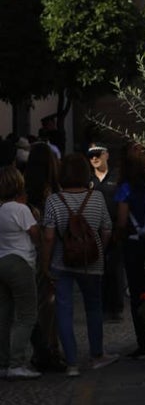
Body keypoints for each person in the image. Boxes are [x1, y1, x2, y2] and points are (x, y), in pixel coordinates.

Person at [42, 153, 118, 377]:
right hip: (91, 264)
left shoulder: (54, 200)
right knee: (93, 307)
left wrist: (45, 265)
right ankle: (97, 355)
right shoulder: (97, 199)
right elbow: (106, 229)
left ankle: (72, 363)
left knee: (64, 311)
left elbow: (48, 237)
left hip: (61, 261)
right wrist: (98, 250)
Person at [22, 143, 63, 372]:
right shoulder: (54, 194)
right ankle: (49, 349)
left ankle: (41, 349)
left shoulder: (26, 193)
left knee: (37, 304)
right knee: (50, 304)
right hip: (50, 253)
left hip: (28, 254)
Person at [114, 142, 145, 359]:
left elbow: (122, 220)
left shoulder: (125, 188)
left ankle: (143, 345)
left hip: (133, 243)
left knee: (137, 293)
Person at [0, 166, 41, 379]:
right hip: (20, 262)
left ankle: (3, 362)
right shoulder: (20, 209)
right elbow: (35, 234)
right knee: (27, 314)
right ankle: (17, 363)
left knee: (4, 316)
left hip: (1, 261)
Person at [88, 145, 124, 321]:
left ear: (106, 155)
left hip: (115, 229)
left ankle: (115, 308)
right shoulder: (88, 179)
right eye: (91, 156)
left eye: (97, 155)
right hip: (93, 231)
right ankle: (100, 308)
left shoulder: (116, 177)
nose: (94, 159)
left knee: (114, 269)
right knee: (97, 270)